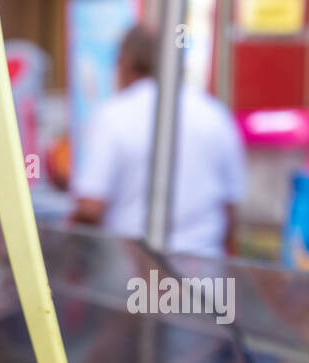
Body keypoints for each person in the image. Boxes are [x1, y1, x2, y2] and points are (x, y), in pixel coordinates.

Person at [71, 25, 247, 257]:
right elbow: (231, 209)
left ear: (125, 63)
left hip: (133, 273)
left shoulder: (112, 116)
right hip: (206, 273)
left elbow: (90, 207)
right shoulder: (215, 114)